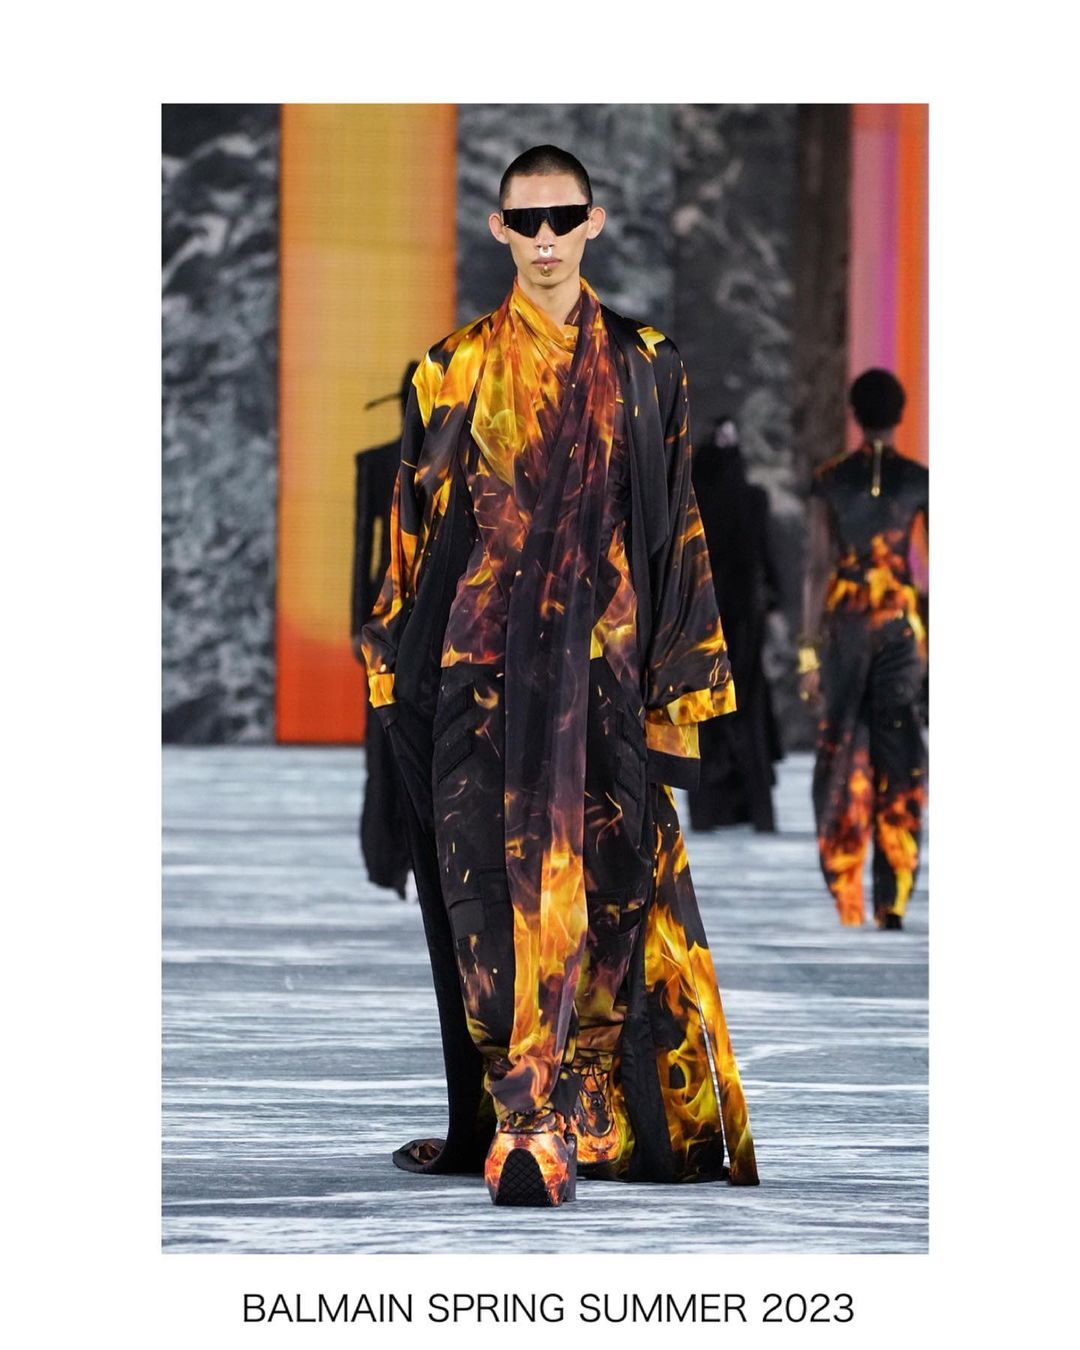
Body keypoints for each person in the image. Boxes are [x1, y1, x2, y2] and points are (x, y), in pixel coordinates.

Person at [361, 145, 758, 1207]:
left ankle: (575, 1107)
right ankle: (522, 1123)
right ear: (498, 228)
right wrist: (391, 671)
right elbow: (410, 533)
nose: (545, 239)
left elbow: (676, 526)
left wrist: (682, 692)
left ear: (594, 221)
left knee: (602, 896)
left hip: (603, 674)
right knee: (484, 898)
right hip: (478, 673)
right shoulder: (449, 369)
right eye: (526, 221)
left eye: (563, 217)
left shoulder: (648, 364)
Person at [800, 369, 928, 930]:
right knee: (899, 754)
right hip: (900, 626)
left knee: (841, 752)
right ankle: (893, 895)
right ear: (899, 414)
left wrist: (807, 655)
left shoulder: (830, 479)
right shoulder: (919, 481)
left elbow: (816, 567)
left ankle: (846, 888)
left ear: (854, 414)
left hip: (844, 629)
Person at [689, 415, 782, 833]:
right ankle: (753, 808)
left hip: (701, 619)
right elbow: (764, 560)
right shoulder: (751, 500)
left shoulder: (691, 502)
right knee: (746, 711)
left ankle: (711, 809)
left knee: (707, 711)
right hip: (743, 620)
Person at [350, 363, 419, 899]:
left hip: (415, 611)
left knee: (402, 735)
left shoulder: (447, 465)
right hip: (394, 613)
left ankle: (399, 855)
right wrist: (358, 624)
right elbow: (364, 549)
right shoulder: (380, 464)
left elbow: (364, 553)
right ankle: (391, 855)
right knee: (389, 733)